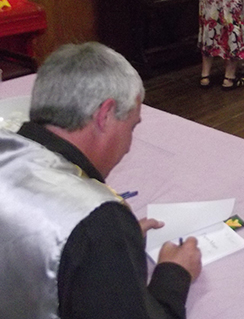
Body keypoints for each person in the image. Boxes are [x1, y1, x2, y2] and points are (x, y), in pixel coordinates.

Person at [0, 42, 202, 318]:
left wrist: (110, 250)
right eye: (131, 127)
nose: (129, 146)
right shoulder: (97, 222)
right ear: (105, 115)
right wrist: (174, 274)